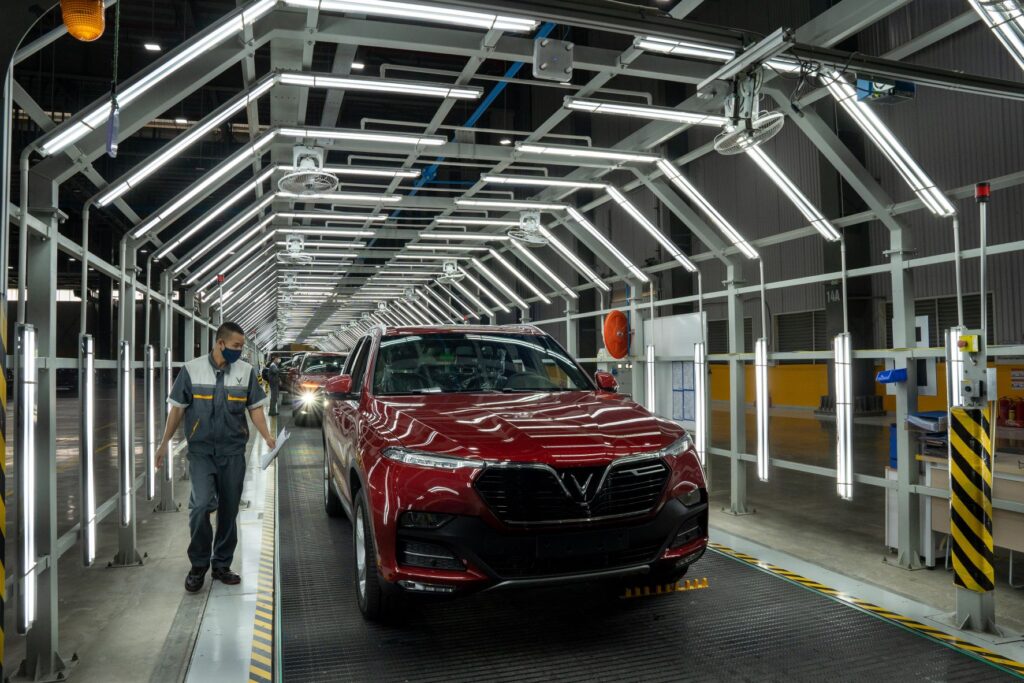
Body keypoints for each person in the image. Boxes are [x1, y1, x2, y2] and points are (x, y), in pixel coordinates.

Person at [154, 322, 277, 593]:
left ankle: (221, 564)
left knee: (229, 510)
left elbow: (255, 408)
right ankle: (198, 565)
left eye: (241, 347)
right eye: (235, 346)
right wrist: (164, 443)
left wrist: (267, 436)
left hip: (233, 453)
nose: (239, 351)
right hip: (201, 453)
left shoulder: (245, 372)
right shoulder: (192, 370)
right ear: (220, 343)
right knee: (200, 506)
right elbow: (177, 409)